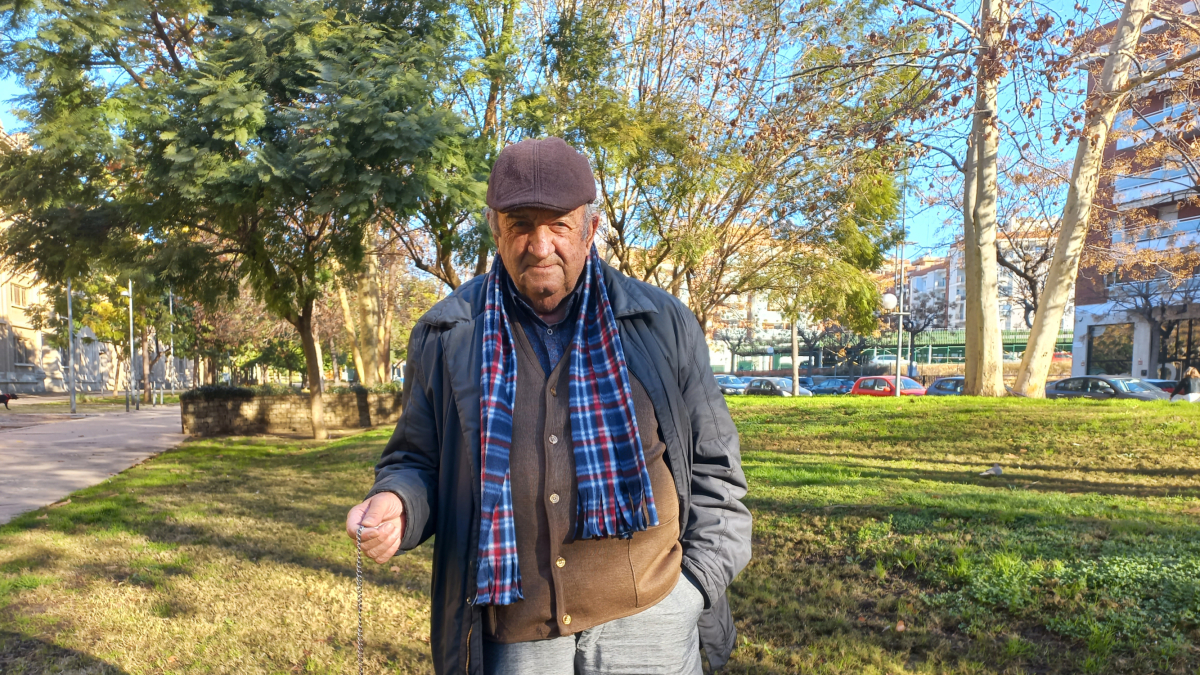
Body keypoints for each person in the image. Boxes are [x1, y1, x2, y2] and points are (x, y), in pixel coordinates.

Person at [345, 137, 752, 675]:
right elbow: (417, 461)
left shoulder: (661, 324)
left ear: (590, 228)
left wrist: (695, 587)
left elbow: (716, 469)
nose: (540, 246)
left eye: (559, 225)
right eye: (520, 225)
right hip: (515, 636)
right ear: (495, 228)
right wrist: (397, 501)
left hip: (651, 621)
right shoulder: (448, 334)